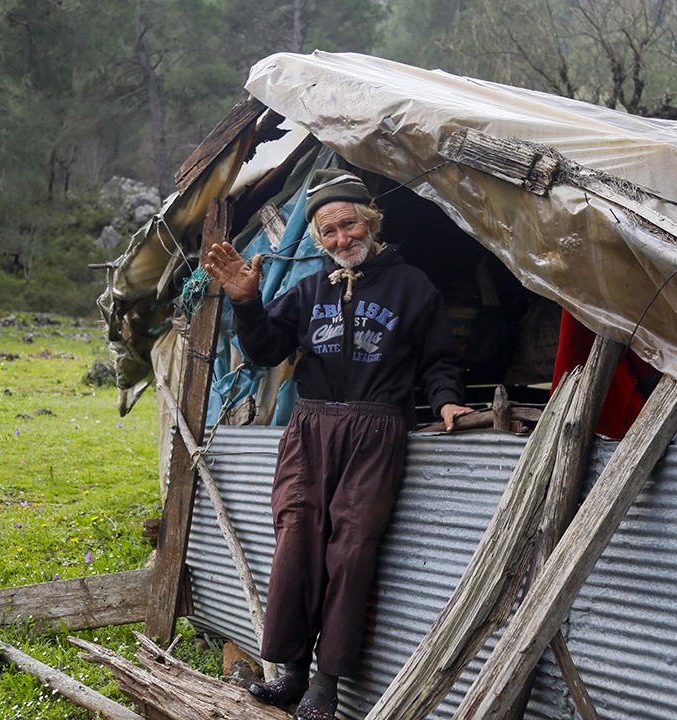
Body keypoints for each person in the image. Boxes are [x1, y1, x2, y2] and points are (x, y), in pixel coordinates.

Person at [203, 169, 474, 720]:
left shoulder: (412, 287)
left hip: (376, 430)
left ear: (370, 221)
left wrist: (446, 400)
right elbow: (265, 352)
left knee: (350, 551)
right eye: (327, 232)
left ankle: (326, 687)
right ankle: (290, 675)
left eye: (348, 225)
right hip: (310, 429)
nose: (340, 239)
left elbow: (440, 360)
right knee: (296, 540)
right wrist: (248, 303)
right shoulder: (308, 291)